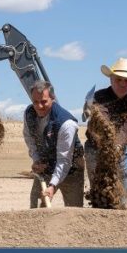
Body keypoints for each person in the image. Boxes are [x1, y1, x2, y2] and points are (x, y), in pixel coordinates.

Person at [84, 57, 127, 199]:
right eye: (118, 79)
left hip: (121, 151)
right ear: (111, 79)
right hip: (94, 149)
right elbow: (102, 121)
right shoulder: (98, 97)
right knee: (98, 190)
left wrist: (116, 147)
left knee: (120, 194)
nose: (123, 84)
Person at [23, 80, 85, 208]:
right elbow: (30, 139)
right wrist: (37, 160)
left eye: (44, 101)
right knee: (36, 205)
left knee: (73, 210)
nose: (39, 106)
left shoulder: (66, 124)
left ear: (53, 98)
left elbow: (64, 160)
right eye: (35, 102)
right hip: (46, 164)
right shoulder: (29, 113)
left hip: (71, 167)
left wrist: (52, 185)